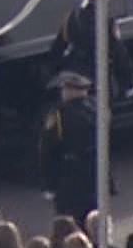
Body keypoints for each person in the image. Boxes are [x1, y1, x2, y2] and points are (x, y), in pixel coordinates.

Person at [41, 71, 101, 222]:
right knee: (94, 218)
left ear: (71, 91)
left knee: (69, 221)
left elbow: (48, 148)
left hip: (70, 175)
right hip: (94, 170)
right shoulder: (95, 108)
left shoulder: (59, 113)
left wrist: (49, 184)